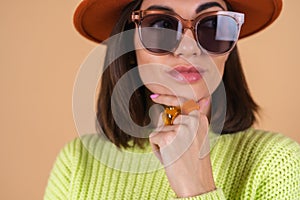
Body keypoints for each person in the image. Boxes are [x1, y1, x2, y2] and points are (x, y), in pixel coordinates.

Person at [44, 0, 300, 199]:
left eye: (212, 25)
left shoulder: (276, 161)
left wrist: (197, 188)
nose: (188, 48)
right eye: (162, 26)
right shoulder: (77, 161)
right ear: (129, 45)